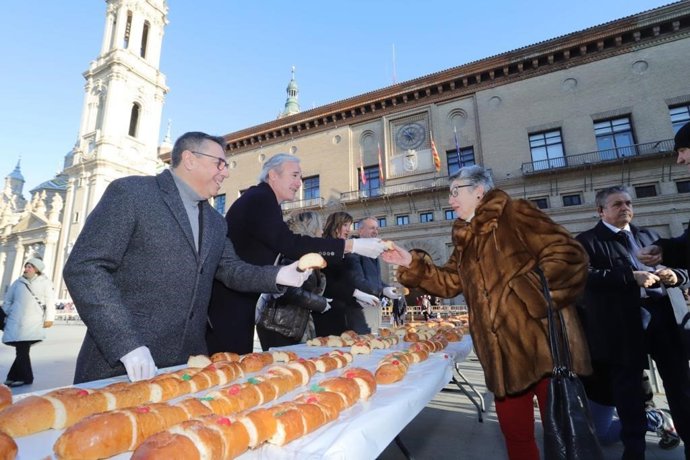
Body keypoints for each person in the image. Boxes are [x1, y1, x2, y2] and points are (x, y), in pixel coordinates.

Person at [63, 132, 310, 384]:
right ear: (190, 159)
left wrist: (279, 275)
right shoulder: (132, 194)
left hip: (186, 368)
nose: (225, 172)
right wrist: (125, 343)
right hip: (122, 365)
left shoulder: (214, 221)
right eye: (219, 164)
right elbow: (85, 267)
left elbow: (231, 269)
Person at [381, 165, 591, 460]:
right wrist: (410, 263)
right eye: (449, 192)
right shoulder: (465, 237)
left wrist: (524, 295)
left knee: (566, 434)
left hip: (542, 346)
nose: (450, 199)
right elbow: (450, 281)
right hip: (502, 357)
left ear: (479, 191)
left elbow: (570, 255)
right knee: (516, 435)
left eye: (456, 191)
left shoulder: (516, 213)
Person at [207, 153, 386, 355]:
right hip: (229, 303)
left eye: (300, 177)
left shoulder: (263, 199)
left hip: (237, 300)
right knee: (227, 368)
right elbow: (290, 244)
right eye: (294, 175)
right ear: (273, 175)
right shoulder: (261, 198)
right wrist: (350, 245)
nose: (299, 183)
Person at [577, 185, 690, 459]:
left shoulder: (649, 236)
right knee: (629, 395)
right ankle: (634, 451)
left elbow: (682, 264)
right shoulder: (586, 241)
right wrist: (631, 276)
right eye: (617, 204)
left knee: (681, 388)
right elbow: (583, 278)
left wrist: (676, 275)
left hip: (663, 321)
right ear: (600, 210)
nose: (625, 208)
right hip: (622, 328)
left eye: (628, 203)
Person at [255, 211, 331, 350]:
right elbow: (289, 291)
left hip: (287, 324)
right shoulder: (295, 253)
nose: (322, 231)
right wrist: (320, 303)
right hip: (277, 325)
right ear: (311, 228)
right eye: (320, 227)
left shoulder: (305, 252)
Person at [314, 212, 380, 336]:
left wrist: (356, 298)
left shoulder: (341, 249)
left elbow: (346, 279)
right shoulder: (326, 246)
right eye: (345, 225)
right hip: (328, 313)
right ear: (335, 225)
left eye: (349, 226)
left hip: (343, 311)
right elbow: (328, 282)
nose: (348, 230)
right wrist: (356, 293)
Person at [1, 258, 55, 387]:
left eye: (30, 267)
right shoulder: (17, 283)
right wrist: (5, 314)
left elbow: (50, 302)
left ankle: (24, 377)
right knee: (22, 349)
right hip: (16, 320)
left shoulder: (45, 283)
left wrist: (49, 318)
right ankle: (16, 376)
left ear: (37, 269)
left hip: (33, 321)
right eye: (26, 266)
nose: (26, 269)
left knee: (22, 349)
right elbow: (8, 300)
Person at [349, 217, 401, 332]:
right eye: (372, 228)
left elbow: (374, 280)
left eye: (377, 229)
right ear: (360, 231)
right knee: (364, 342)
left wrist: (387, 288)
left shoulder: (372, 252)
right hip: (361, 308)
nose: (376, 232)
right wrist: (381, 291)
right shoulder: (354, 251)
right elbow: (357, 280)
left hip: (374, 305)